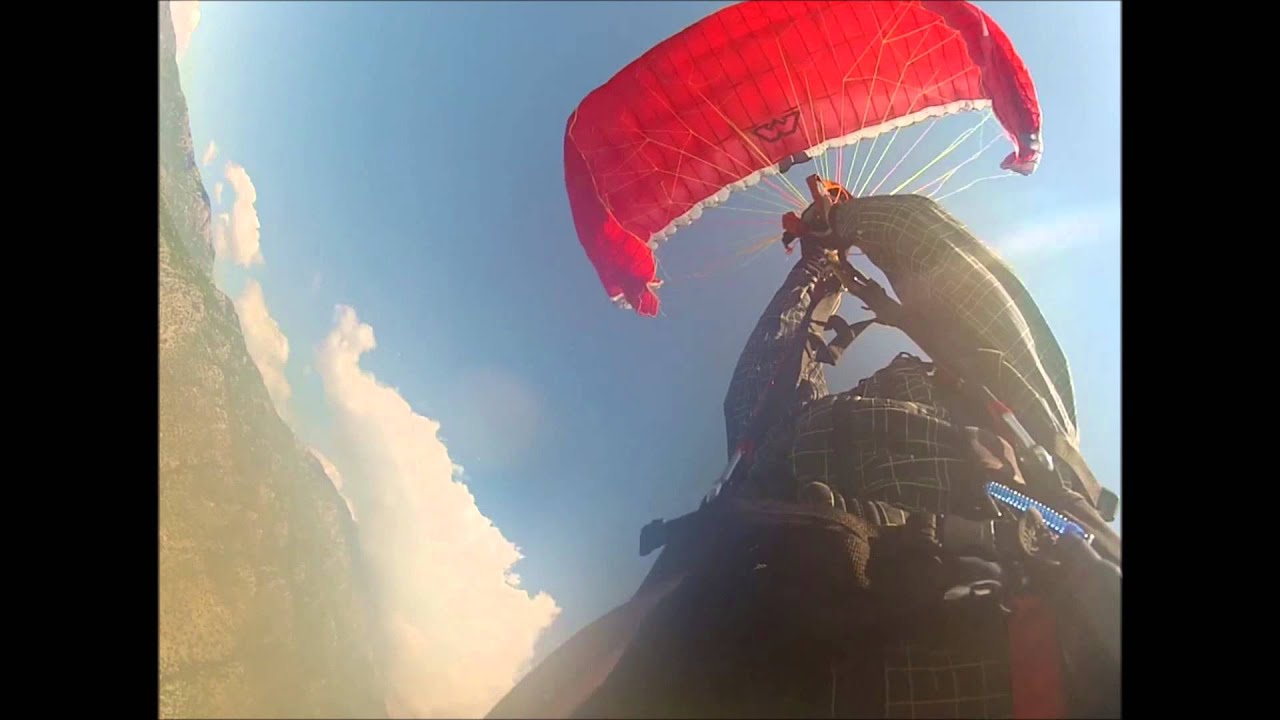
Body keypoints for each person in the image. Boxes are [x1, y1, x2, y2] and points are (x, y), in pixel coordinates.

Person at [488, 194, 1120, 719]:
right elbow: (963, 293)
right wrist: (832, 245)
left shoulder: (1006, 418)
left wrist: (830, 245)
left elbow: (771, 381)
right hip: (801, 630)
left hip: (929, 628)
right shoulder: (1003, 416)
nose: (895, 371)